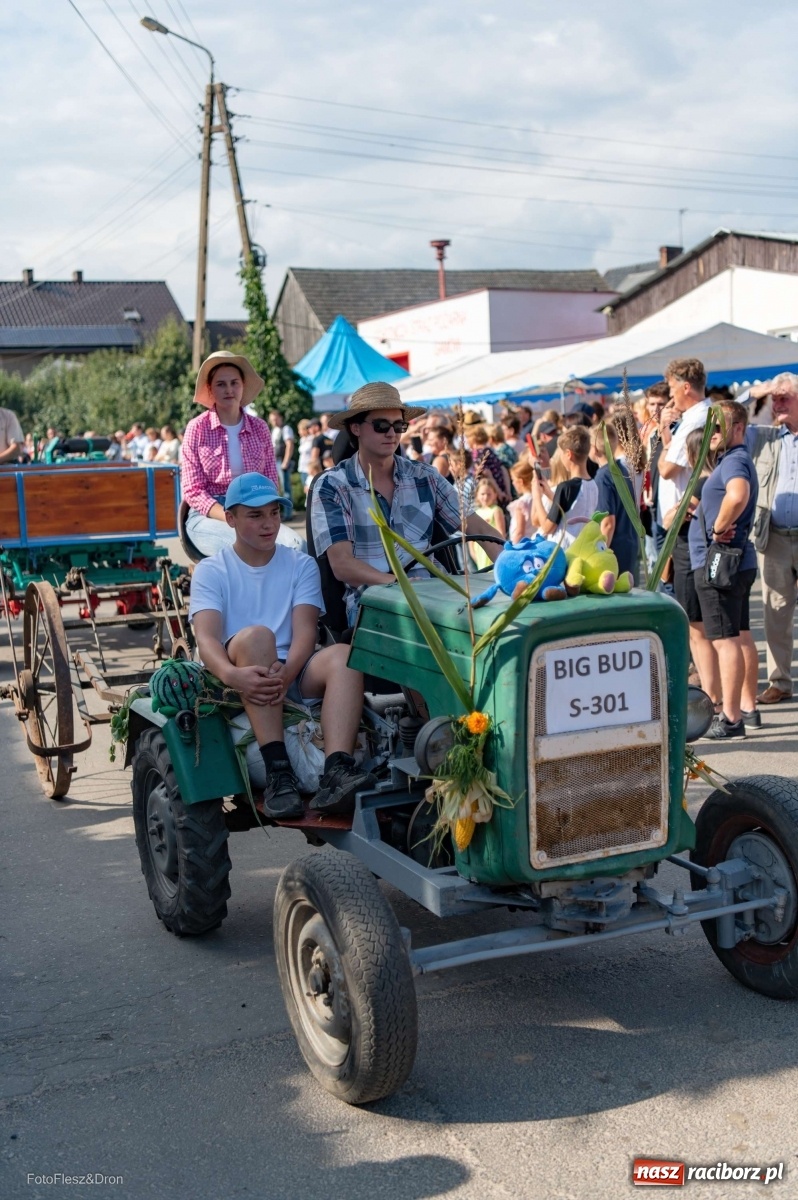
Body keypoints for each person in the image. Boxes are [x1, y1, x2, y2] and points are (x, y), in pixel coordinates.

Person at [189, 473, 374, 817]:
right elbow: (206, 638)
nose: (268, 524)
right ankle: (279, 772)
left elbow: (305, 632)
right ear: (230, 519)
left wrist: (287, 674)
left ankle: (337, 769)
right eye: (255, 515)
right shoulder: (212, 570)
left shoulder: (300, 564)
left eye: (274, 513)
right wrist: (232, 675)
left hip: (291, 671)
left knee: (346, 654)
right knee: (259, 636)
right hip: (243, 672)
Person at [310, 382, 502, 626]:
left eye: (399, 425)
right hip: (374, 602)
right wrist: (397, 583)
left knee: (496, 622)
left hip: (438, 595)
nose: (392, 433)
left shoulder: (425, 476)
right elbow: (343, 565)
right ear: (355, 428)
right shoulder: (332, 485)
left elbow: (481, 530)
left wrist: (515, 569)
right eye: (381, 425)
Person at [689, 401, 759, 739]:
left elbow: (738, 493)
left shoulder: (736, 459)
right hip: (734, 562)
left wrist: (718, 526)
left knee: (725, 640)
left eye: (721, 427)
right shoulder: (733, 459)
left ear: (739, 428)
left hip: (721, 562)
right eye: (711, 426)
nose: (713, 433)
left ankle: (731, 718)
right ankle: (741, 710)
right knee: (736, 636)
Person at [181, 351, 280, 558]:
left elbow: (271, 481)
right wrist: (230, 517)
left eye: (234, 383)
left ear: (243, 386)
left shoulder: (260, 427)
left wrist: (263, 515)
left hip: (255, 510)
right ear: (210, 389)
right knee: (247, 548)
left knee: (297, 544)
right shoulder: (197, 428)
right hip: (208, 514)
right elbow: (192, 491)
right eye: (221, 384)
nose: (229, 390)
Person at [745, 372, 798, 704]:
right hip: (774, 537)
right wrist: (758, 391)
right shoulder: (762, 437)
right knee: (775, 613)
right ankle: (780, 681)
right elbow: (718, 421)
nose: (776, 404)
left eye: (784, 398)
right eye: (774, 399)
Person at [658, 358, 711, 613]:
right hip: (685, 517)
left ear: (686, 387)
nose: (670, 396)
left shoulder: (693, 420)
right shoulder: (700, 415)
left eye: (672, 389)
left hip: (685, 520)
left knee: (692, 619)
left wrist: (664, 434)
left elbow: (666, 469)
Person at [531, 426, 599, 546]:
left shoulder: (566, 487)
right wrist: (548, 492)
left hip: (564, 551)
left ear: (568, 454)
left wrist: (537, 498)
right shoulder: (593, 484)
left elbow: (547, 528)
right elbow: (570, 508)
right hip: (583, 547)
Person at [590, 422, 639, 582]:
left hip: (615, 549)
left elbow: (607, 523)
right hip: (628, 543)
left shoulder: (603, 477)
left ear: (594, 449)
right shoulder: (621, 469)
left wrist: (600, 554)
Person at [471, 476, 506, 569]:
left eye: (489, 494)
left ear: (495, 494)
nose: (485, 497)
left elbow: (501, 533)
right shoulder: (476, 513)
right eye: (482, 494)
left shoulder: (496, 510)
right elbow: (471, 538)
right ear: (477, 494)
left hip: (493, 548)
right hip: (479, 551)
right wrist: (472, 552)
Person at [507, 456, 538, 543]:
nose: (513, 483)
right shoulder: (538, 497)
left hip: (522, 545)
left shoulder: (521, 503)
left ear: (520, 482)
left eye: (513, 480)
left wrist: (512, 549)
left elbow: (519, 532)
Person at [269, 410, 296, 499]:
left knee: (285, 487)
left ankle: (288, 512)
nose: (274, 422)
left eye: (276, 419)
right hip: (274, 460)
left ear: (280, 418)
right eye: (272, 420)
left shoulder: (286, 428)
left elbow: (289, 445)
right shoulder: (274, 430)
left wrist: (286, 461)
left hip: (282, 460)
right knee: (275, 486)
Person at [296, 418, 316, 485]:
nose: (299, 432)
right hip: (302, 467)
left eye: (300, 430)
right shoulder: (302, 440)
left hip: (309, 468)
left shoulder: (312, 439)